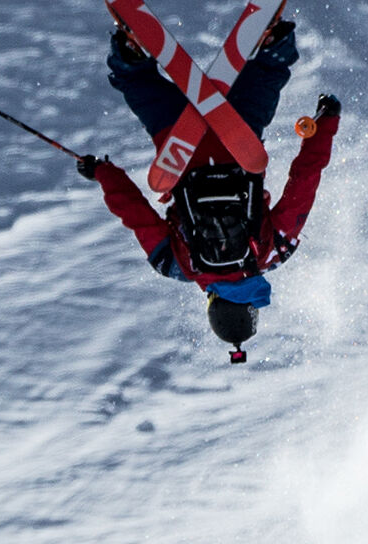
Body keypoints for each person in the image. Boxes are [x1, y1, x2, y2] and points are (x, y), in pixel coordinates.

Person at [77, 19, 340, 359]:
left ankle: (277, 45)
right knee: (132, 78)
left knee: (268, 71)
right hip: (181, 146)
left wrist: (325, 123)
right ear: (213, 305)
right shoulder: (175, 265)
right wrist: (102, 172)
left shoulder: (272, 253)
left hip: (238, 138)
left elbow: (305, 181)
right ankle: (129, 53)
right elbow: (134, 212)